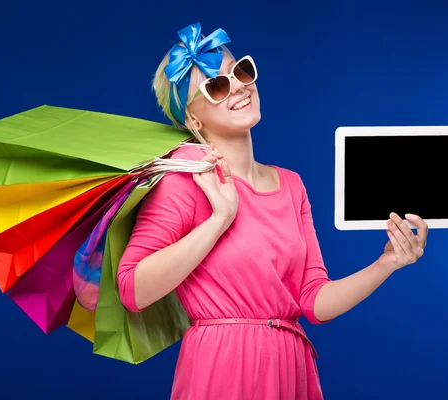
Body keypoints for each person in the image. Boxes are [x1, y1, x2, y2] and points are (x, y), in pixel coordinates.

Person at [116, 22, 429, 399]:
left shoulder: (292, 185)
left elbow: (314, 301)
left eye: (240, 71)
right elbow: (132, 289)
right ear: (193, 119)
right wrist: (219, 219)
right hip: (223, 366)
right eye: (217, 86)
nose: (239, 87)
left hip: (290, 365)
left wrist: (387, 263)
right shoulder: (187, 179)